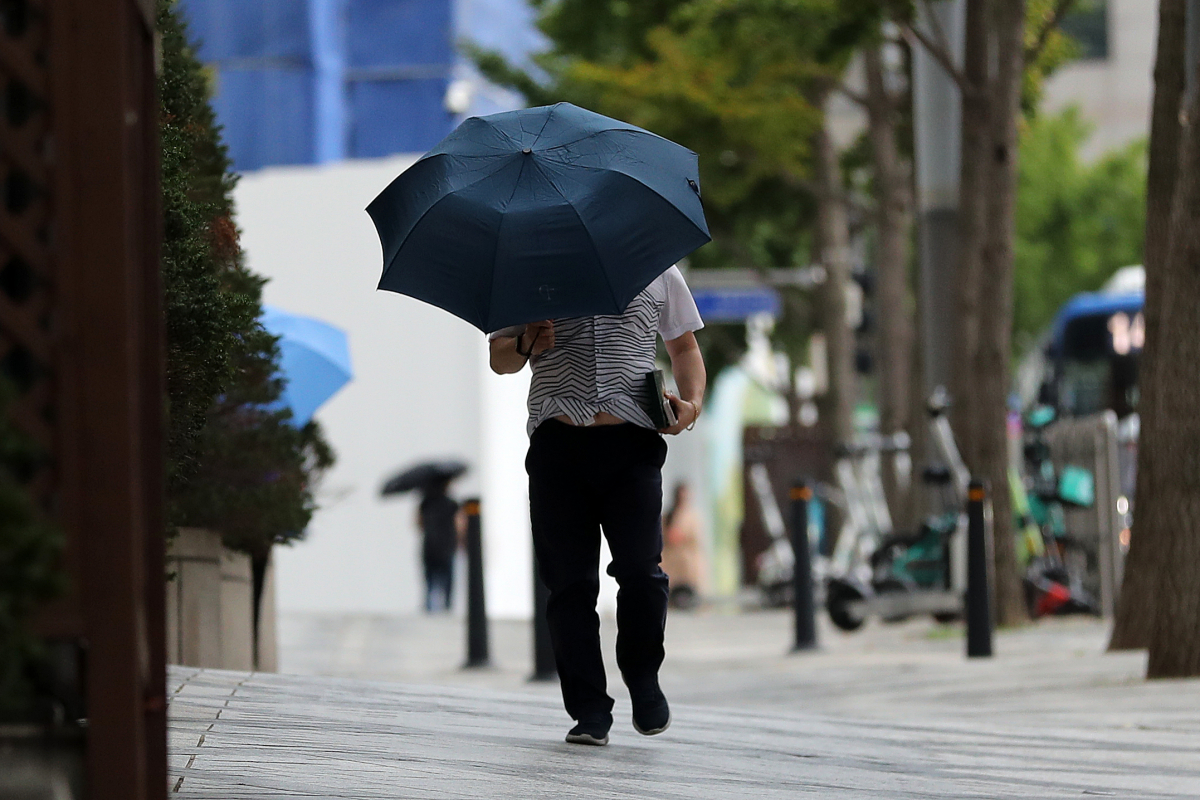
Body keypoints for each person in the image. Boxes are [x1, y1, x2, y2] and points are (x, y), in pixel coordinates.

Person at [489, 264, 706, 747]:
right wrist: (526, 343)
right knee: (568, 585)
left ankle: (643, 676)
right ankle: (589, 709)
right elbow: (499, 359)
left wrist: (690, 406)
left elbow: (684, 346)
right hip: (557, 446)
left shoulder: (656, 268)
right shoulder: (528, 270)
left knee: (641, 572)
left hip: (631, 445)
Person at [416, 478, 463, 613]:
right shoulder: (451, 504)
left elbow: (419, 524)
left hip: (430, 545)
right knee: (447, 580)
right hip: (447, 545)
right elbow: (459, 525)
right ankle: (447, 607)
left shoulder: (426, 503)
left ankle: (429, 606)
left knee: (430, 579)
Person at [661, 482, 706, 610]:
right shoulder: (668, 515)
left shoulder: (692, 516)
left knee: (689, 595)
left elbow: (695, 537)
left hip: (687, 563)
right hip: (671, 562)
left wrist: (681, 537)